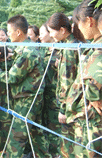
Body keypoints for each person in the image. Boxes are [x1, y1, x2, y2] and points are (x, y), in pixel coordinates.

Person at [0, 14, 50, 157]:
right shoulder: (26, 48)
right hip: (31, 99)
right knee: (36, 136)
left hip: (27, 101)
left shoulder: (27, 52)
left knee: (16, 140)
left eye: (9, 32)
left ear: (18, 32)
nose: (7, 35)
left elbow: (11, 77)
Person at [66, 0, 102, 157]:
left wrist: (93, 94)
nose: (79, 29)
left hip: (92, 123)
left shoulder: (99, 48)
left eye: (79, 24)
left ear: (89, 21)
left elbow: (95, 74)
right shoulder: (95, 44)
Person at [47, 12, 85, 157]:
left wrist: (63, 108)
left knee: (67, 146)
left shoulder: (69, 49)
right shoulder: (71, 44)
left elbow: (67, 82)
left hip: (70, 105)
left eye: (52, 32)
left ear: (62, 30)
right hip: (75, 103)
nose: (51, 36)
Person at [39, 22, 61, 157]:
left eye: (42, 33)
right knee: (45, 127)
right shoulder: (44, 50)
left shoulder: (61, 50)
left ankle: (55, 154)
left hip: (55, 97)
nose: (40, 36)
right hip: (44, 96)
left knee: (54, 129)